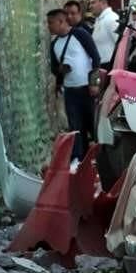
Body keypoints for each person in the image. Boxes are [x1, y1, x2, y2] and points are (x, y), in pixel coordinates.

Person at [47, 9, 100, 164]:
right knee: (76, 127)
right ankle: (78, 159)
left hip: (87, 89)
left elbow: (96, 58)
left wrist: (94, 83)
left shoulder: (80, 35)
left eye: (51, 23)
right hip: (70, 91)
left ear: (61, 22)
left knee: (93, 125)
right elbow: (54, 68)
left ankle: (100, 157)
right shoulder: (54, 44)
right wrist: (60, 71)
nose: (48, 27)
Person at [89, 0, 120, 66]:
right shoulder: (99, 19)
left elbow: (120, 46)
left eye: (93, 3)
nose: (90, 6)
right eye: (90, 3)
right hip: (103, 67)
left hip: (110, 66)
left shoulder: (111, 19)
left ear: (103, 2)